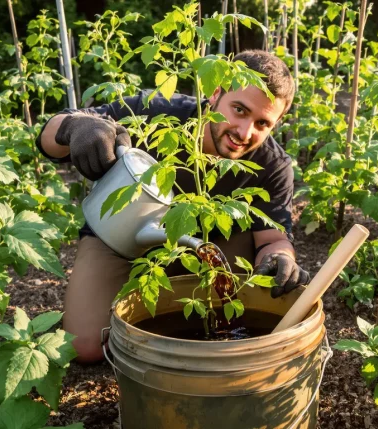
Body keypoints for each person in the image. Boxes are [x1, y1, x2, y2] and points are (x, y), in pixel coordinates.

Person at [37, 50, 311, 362]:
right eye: (239, 110)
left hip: (212, 249)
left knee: (231, 331)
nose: (245, 132)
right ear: (215, 93)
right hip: (122, 235)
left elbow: (273, 239)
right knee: (85, 346)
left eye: (263, 123)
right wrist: (76, 128)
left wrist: (280, 258)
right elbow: (49, 134)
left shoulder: (273, 165)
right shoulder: (156, 114)